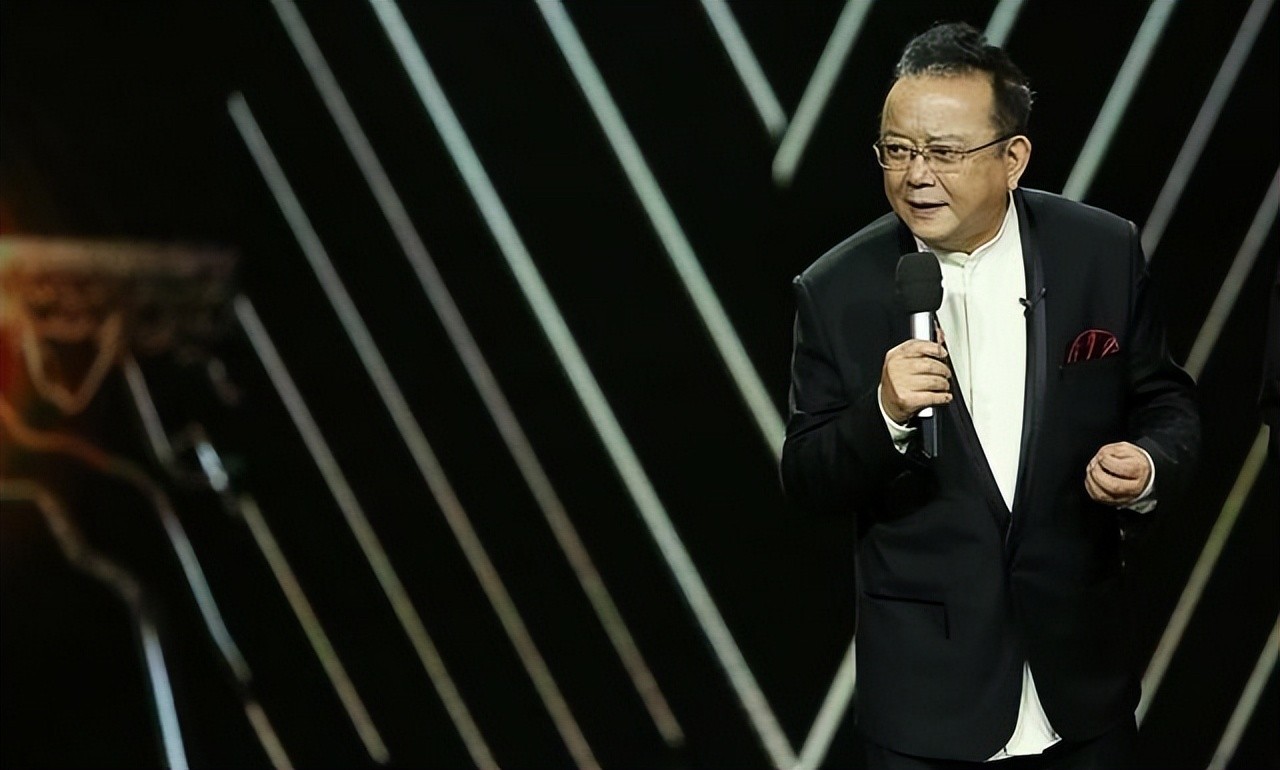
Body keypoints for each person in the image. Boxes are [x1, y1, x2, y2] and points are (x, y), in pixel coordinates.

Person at [780, 21, 1199, 769]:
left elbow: (1166, 402)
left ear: (1014, 157)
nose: (916, 175)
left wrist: (1146, 465)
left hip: (1082, 689)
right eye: (897, 150)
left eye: (944, 152)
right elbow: (807, 476)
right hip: (926, 708)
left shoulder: (1099, 251)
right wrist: (883, 416)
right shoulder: (836, 290)